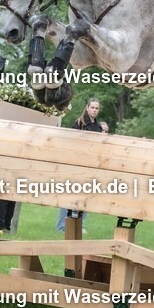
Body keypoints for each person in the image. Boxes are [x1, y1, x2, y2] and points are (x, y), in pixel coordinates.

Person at [57, 98, 103, 233]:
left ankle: (80, 224)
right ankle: (62, 226)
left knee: (85, 196)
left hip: (90, 166)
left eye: (96, 108)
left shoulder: (98, 128)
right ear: (87, 108)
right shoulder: (79, 123)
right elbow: (70, 144)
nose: (94, 110)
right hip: (76, 164)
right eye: (92, 107)